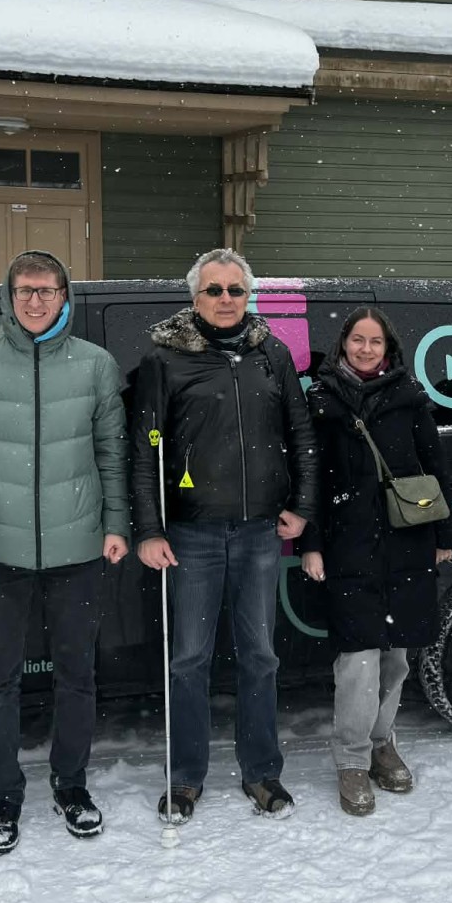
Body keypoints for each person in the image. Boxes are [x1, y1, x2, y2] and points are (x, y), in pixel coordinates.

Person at [0, 250, 130, 856]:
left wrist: (116, 522)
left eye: (47, 291)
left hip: (79, 547)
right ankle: (4, 795)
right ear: (9, 294)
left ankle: (71, 785)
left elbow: (112, 451)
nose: (35, 301)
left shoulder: (95, 366)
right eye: (25, 290)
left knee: (77, 677)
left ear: (64, 296)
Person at [131, 247, 318, 822]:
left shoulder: (272, 354)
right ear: (195, 298)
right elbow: (144, 451)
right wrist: (148, 529)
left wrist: (303, 506)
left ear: (248, 295)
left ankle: (262, 774)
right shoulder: (165, 359)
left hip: (261, 530)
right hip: (191, 536)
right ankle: (185, 779)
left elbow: (302, 432)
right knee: (189, 659)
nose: (226, 300)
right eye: (214, 290)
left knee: (260, 657)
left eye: (235, 290)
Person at [298, 307, 452, 816]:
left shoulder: (410, 399)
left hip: (407, 542)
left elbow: (434, 468)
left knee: (396, 657)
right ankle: (351, 760)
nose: (366, 349)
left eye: (376, 342)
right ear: (343, 344)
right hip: (349, 544)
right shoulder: (321, 401)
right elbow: (312, 482)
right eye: (357, 340)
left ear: (389, 349)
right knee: (359, 660)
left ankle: (382, 743)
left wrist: (443, 535)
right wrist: (312, 544)